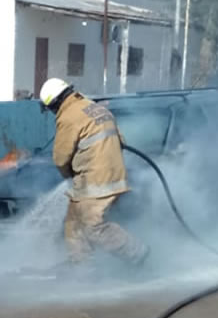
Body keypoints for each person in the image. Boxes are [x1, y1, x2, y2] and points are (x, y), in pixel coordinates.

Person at [39, 78, 149, 273]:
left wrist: (68, 175)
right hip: (107, 176)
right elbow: (121, 141)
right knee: (73, 222)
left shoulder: (68, 116)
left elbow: (61, 158)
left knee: (93, 227)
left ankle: (138, 253)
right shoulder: (95, 108)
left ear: (54, 103)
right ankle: (83, 268)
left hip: (96, 181)